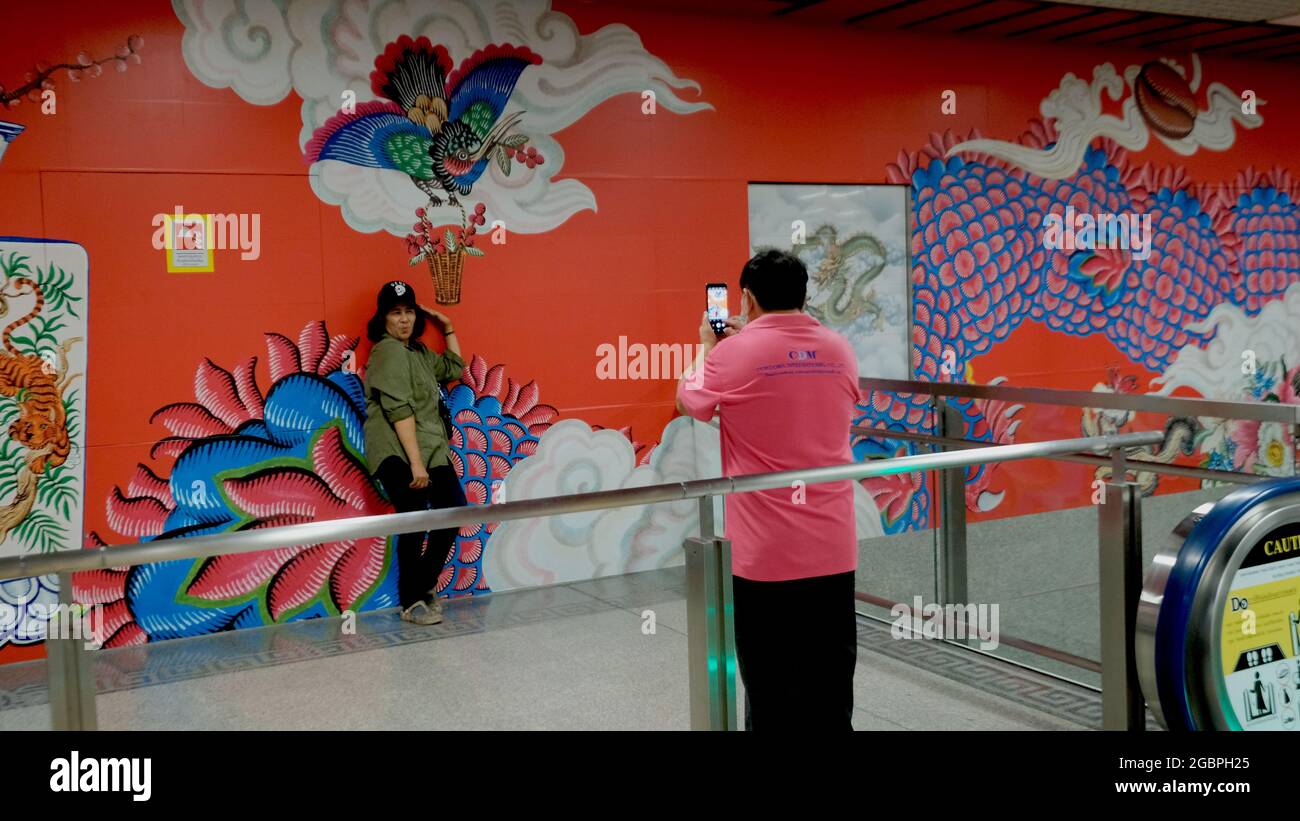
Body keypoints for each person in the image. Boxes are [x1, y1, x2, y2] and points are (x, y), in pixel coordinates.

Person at [675, 249, 860, 730]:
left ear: (747, 299)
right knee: (832, 683)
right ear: (804, 294)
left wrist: (707, 347)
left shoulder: (732, 353)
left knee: (771, 685)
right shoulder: (839, 347)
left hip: (766, 556)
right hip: (833, 548)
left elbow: (690, 400)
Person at [363, 280, 467, 625]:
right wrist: (416, 463)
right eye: (396, 313)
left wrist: (448, 326)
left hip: (428, 446)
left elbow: (453, 368)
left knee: (453, 511)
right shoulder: (387, 351)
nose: (404, 320)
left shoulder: (418, 352)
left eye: (409, 311)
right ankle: (411, 601)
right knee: (413, 516)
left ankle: (421, 586)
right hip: (397, 450)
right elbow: (398, 411)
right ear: (384, 319)